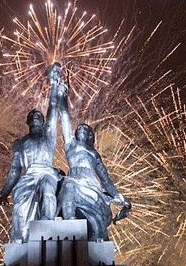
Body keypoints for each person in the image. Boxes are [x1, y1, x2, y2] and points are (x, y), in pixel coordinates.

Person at [0, 63, 65, 241]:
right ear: (28, 121)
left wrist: (54, 83)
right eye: (32, 117)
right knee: (20, 209)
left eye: (39, 117)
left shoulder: (48, 136)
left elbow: (53, 108)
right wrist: (4, 192)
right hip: (28, 177)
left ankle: (48, 234)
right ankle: (22, 240)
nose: (36, 118)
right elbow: (15, 170)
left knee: (48, 190)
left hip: (47, 173)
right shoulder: (19, 143)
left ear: (43, 121)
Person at [56, 84, 131, 240]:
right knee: (68, 186)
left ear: (90, 135)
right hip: (74, 179)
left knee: (97, 226)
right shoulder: (71, 144)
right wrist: (62, 96)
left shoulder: (94, 154)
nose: (82, 128)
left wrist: (120, 197)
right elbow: (65, 117)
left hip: (92, 185)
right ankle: (70, 225)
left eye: (86, 128)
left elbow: (105, 179)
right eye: (80, 128)